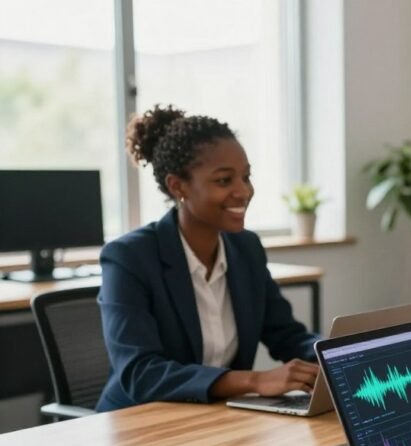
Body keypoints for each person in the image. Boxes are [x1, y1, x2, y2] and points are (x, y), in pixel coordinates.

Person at [96, 105, 320, 412]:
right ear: (178, 186)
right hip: (139, 423)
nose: (244, 191)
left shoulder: (246, 248)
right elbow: (141, 373)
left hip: (218, 417)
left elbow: (286, 335)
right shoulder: (130, 257)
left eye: (246, 176)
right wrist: (254, 381)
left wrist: (339, 356)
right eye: (224, 181)